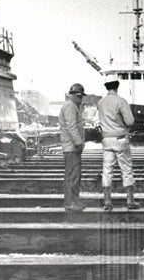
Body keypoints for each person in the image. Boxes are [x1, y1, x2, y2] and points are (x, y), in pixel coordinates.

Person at [96, 79, 139, 211]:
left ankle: (107, 202)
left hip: (106, 140)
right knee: (126, 169)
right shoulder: (121, 102)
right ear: (117, 88)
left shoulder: (100, 103)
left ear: (107, 88)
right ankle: (130, 201)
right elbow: (130, 121)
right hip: (120, 139)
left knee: (107, 171)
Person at [59, 82, 86, 210]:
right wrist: (79, 143)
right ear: (78, 95)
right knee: (72, 176)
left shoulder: (71, 105)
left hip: (71, 147)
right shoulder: (70, 106)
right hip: (71, 148)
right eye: (81, 96)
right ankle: (70, 203)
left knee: (75, 175)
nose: (82, 99)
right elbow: (72, 126)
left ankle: (74, 201)